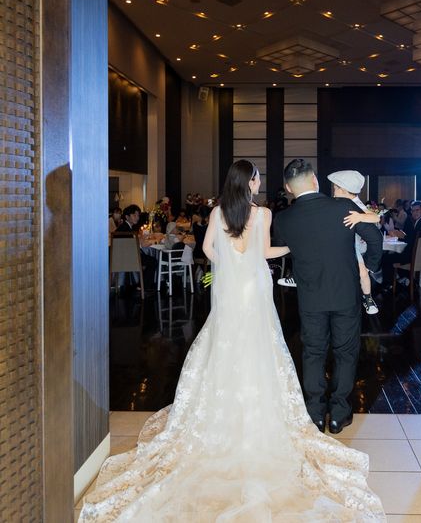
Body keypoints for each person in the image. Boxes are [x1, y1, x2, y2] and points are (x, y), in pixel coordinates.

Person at [79, 159, 385, 522]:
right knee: (272, 344)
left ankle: (256, 410)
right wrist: (290, 251)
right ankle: (308, 413)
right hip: (259, 286)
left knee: (229, 342)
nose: (259, 182)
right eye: (257, 178)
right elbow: (267, 252)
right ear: (252, 183)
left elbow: (208, 250)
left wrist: (230, 263)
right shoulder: (265, 214)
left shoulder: (219, 212)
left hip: (231, 288)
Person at [273, 159, 383, 436]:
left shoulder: (283, 219)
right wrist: (369, 266)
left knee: (313, 353)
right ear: (315, 180)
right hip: (345, 293)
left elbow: (285, 249)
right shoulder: (343, 207)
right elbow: (375, 238)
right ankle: (339, 415)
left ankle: (314, 413)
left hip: (310, 297)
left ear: (288, 188)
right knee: (345, 352)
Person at [327, 170, 381, 315]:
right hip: (340, 242)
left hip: (352, 245)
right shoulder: (338, 202)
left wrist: (359, 217)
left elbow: (376, 218)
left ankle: (368, 298)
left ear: (343, 190)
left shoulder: (355, 203)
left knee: (362, 272)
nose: (333, 191)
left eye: (335, 188)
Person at [381, 200, 421, 290]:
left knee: (385, 258)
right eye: (412, 211)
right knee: (391, 256)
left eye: (417, 210)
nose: (414, 213)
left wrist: (402, 236)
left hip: (413, 256)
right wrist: (402, 236)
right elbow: (413, 238)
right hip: (418, 255)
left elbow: (412, 240)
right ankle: (402, 280)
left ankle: (390, 285)